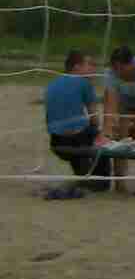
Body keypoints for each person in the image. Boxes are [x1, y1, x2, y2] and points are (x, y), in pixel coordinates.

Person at [42, 48, 101, 199]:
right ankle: (102, 182)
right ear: (76, 67)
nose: (94, 68)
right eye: (89, 64)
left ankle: (84, 177)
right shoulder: (84, 83)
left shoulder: (52, 83)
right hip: (76, 141)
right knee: (101, 138)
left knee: (81, 130)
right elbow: (94, 117)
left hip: (55, 141)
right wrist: (99, 132)